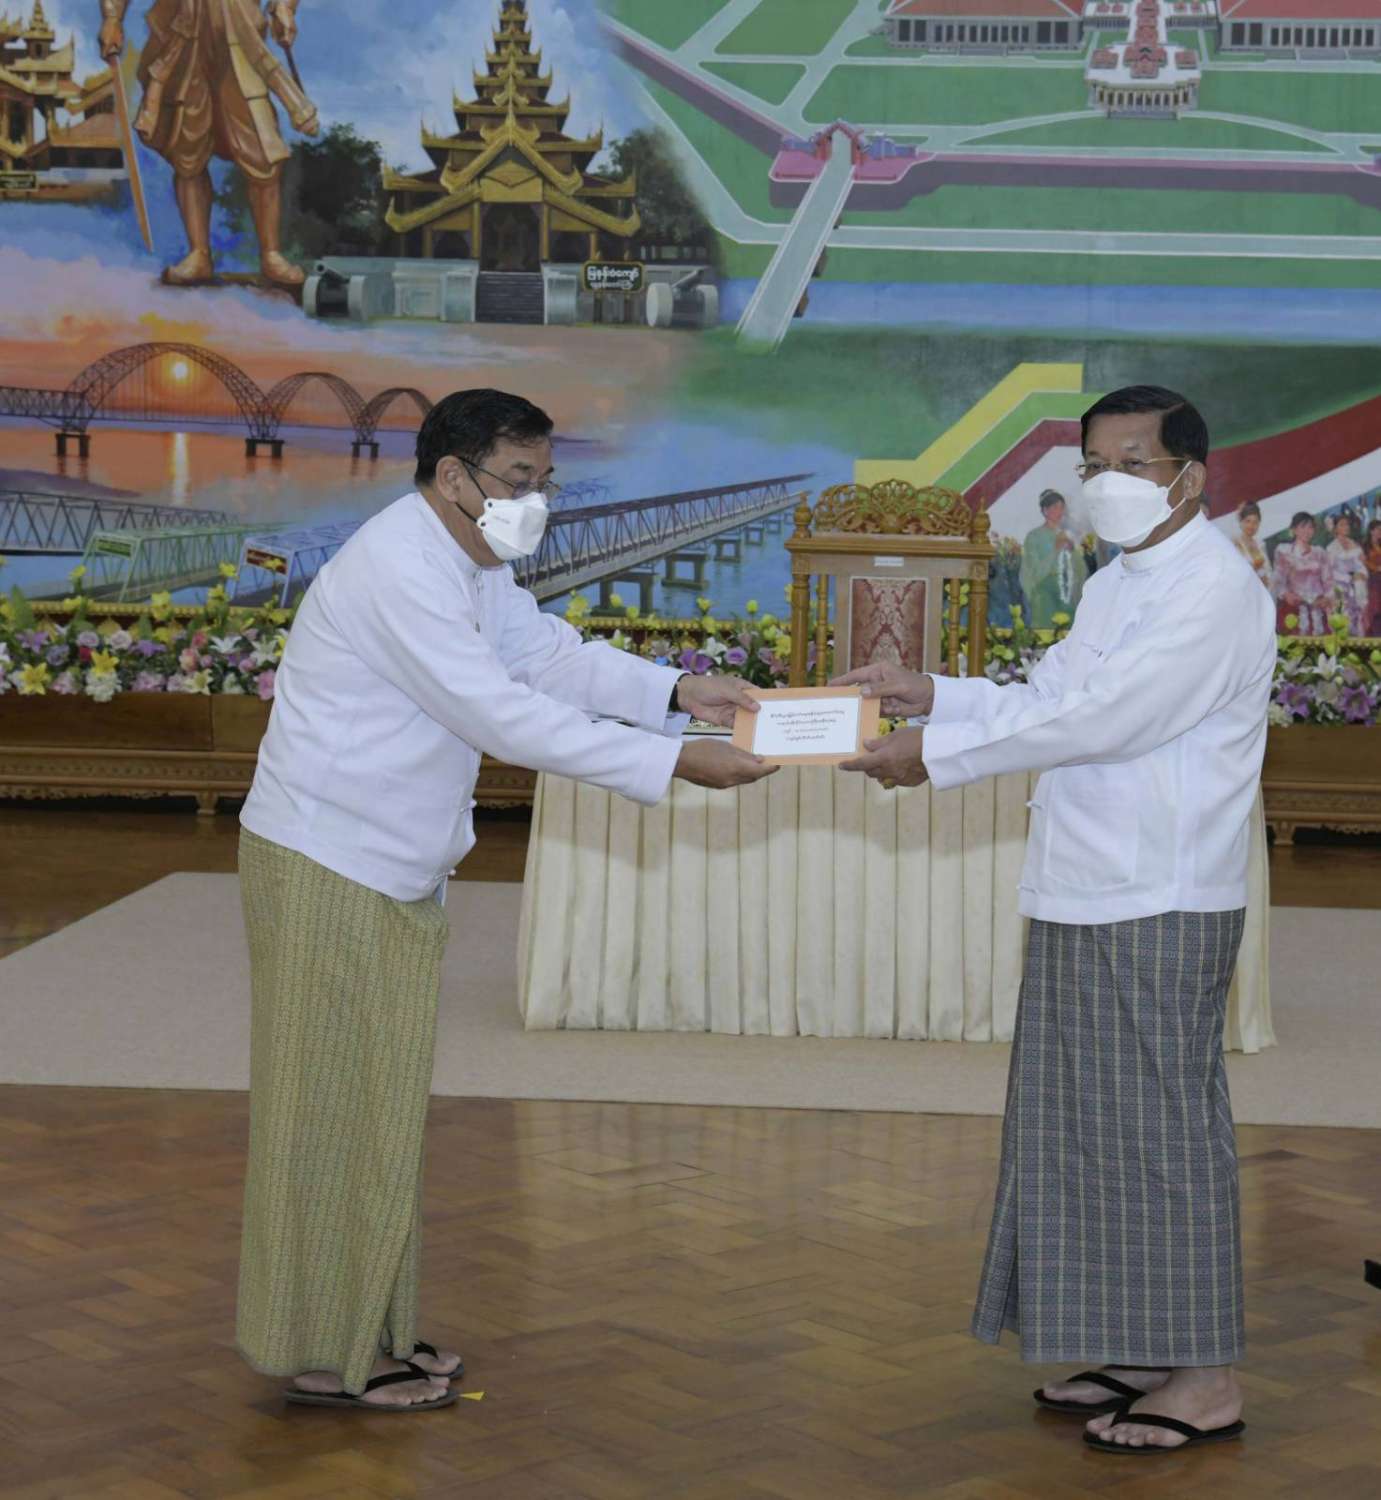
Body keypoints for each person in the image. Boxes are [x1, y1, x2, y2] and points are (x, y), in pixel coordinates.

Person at [235, 389, 775, 1411]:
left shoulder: (470, 559)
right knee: (327, 1113)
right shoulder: (399, 567)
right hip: (328, 858)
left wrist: (674, 693)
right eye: (519, 481)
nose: (538, 502)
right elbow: (500, 714)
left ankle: (368, 1328)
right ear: (453, 477)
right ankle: (322, 1351)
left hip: (387, 861)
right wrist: (672, 760)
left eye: (545, 481)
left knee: (378, 1107)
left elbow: (543, 657)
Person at [833, 386, 1275, 1455]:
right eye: (1094, 466)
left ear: (1189, 476)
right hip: (1085, 880)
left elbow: (1108, 720)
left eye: (1132, 462)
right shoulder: (1119, 583)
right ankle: (1144, 1343)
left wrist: (934, 759)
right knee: (1086, 1127)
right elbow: (1051, 699)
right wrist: (933, 695)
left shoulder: (1213, 590)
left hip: (1160, 890)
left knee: (1162, 1132)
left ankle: (1206, 1375)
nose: (1108, 484)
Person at [99, 0, 319, 288]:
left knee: (262, 149)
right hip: (180, 33)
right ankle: (199, 254)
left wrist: (284, 7)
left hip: (240, 28)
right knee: (186, 151)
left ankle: (271, 254)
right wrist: (112, 17)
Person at [1019, 490, 1087, 628]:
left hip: (1067, 592)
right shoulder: (1034, 536)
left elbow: (1080, 569)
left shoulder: (1065, 535)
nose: (1060, 511)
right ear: (1045, 510)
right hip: (1044, 594)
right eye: (1055, 507)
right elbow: (1032, 571)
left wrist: (1072, 552)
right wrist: (1055, 550)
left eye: (1062, 507)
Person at [1272, 511, 1331, 636]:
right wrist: (1287, 595)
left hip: (1318, 608)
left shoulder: (1319, 553)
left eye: (1310, 527)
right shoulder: (1284, 551)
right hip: (1295, 607)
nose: (1307, 531)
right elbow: (1278, 580)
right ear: (1294, 530)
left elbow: (1328, 581)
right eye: (1303, 527)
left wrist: (1327, 598)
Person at [1326, 509, 1368, 637]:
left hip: (1357, 587)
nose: (1346, 527)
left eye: (1347, 524)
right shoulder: (1331, 548)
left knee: (1359, 615)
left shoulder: (1355, 545)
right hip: (1339, 588)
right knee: (1343, 618)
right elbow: (1330, 572)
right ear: (1335, 528)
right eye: (1342, 525)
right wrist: (1350, 577)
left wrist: (1361, 574)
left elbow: (1361, 566)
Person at [1231, 502, 1272, 593]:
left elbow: (1268, 570)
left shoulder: (1260, 544)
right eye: (1248, 521)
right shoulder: (1234, 544)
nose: (1251, 526)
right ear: (1241, 522)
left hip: (1263, 591)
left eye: (1255, 522)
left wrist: (1266, 578)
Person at [1365, 518, 1381, 637]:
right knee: (1375, 609)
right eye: (1378, 529)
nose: (1380, 531)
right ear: (1371, 531)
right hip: (1372, 581)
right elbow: (1363, 561)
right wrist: (1376, 568)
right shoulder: (1365, 546)